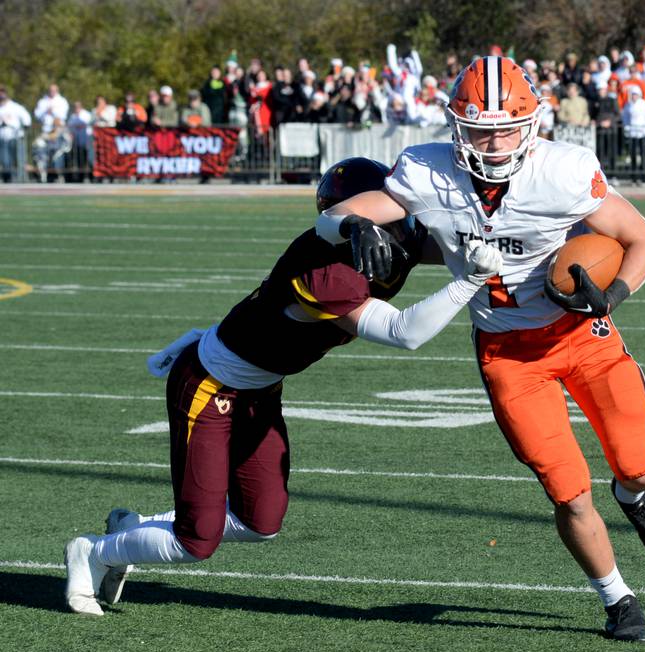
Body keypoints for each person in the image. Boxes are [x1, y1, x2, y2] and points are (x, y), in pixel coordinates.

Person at [315, 56, 645, 643]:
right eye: (481, 128)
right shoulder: (426, 171)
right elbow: (331, 216)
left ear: (533, 123)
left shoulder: (563, 171)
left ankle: (633, 497)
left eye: (507, 127)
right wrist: (351, 226)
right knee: (567, 488)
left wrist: (611, 295)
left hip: (581, 337)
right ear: (456, 125)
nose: (494, 140)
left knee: (640, 465)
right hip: (508, 354)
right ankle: (618, 598)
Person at [63, 157, 503, 616]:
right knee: (198, 540)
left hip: (260, 388)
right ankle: (93, 552)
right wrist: (467, 280)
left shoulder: (392, 235)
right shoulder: (324, 271)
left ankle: (131, 529)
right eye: (384, 211)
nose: (402, 224)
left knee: (260, 522)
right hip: (211, 386)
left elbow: (450, 239)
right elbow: (404, 333)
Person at [622, 85, 645, 185]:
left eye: (636, 94)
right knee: (633, 155)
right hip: (632, 133)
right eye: (633, 95)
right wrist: (627, 128)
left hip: (642, 133)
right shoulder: (628, 105)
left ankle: (644, 178)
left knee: (643, 155)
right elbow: (625, 117)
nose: (634, 96)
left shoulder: (644, 104)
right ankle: (634, 178)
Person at [0, 85, 31, 182]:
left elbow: (26, 119)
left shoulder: (15, 107)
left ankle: (21, 179)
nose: (1, 94)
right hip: (2, 138)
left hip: (16, 137)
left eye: (2, 91)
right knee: (5, 160)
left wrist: (24, 127)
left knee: (19, 159)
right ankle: (8, 179)